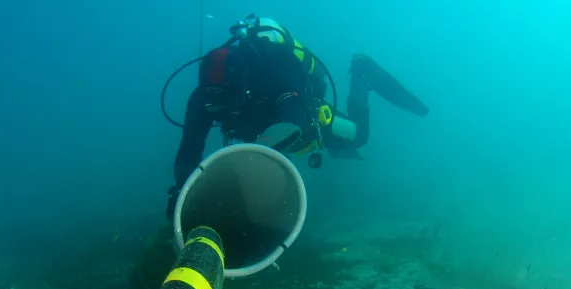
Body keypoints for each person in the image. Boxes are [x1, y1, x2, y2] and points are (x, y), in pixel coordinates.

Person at [164, 14, 429, 219]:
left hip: (303, 114)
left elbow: (293, 118)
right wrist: (182, 191)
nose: (219, 110)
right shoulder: (203, 98)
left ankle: (361, 73)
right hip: (265, 132)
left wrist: (249, 158)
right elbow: (191, 144)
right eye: (214, 104)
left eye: (226, 102)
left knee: (358, 136)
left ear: (244, 86)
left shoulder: (278, 68)